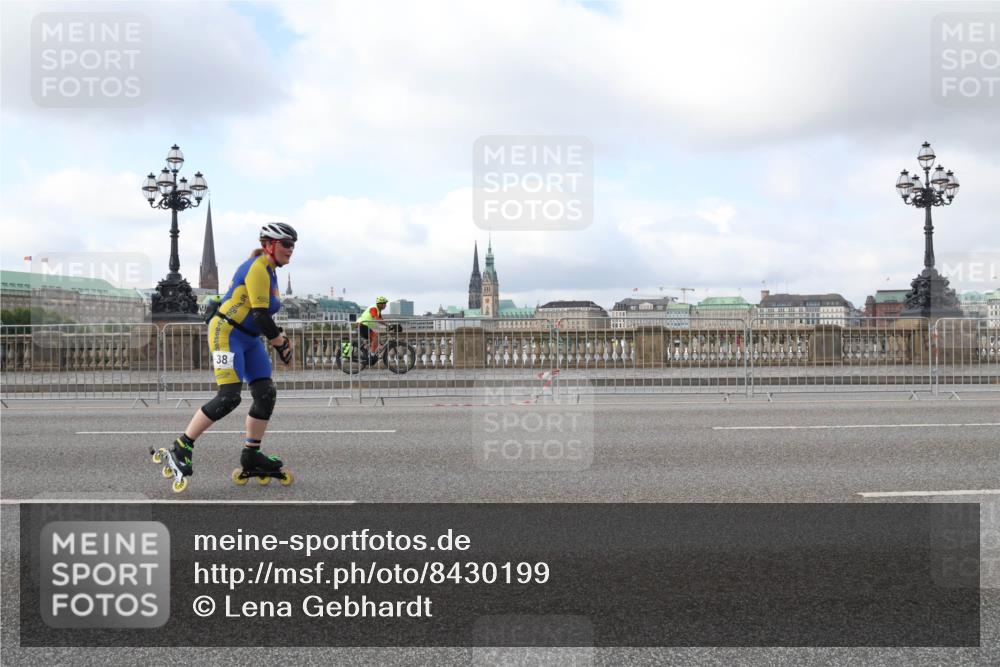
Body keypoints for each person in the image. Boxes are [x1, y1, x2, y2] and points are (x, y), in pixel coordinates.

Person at [159, 222, 297, 491]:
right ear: (270, 245)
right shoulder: (258, 268)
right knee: (229, 396)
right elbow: (260, 313)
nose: (291, 250)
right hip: (228, 333)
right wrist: (281, 344)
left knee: (266, 392)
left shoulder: (269, 269)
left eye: (293, 245)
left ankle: (251, 454)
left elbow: (260, 316)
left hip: (249, 337)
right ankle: (182, 445)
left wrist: (279, 341)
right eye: (286, 244)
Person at [356, 296, 388, 364]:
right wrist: (387, 325)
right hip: (362, 325)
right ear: (380, 304)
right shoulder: (374, 308)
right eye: (384, 303)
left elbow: (381, 320)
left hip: (365, 326)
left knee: (374, 339)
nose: (385, 305)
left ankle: (366, 353)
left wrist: (388, 325)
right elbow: (376, 318)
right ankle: (372, 355)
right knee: (376, 336)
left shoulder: (378, 310)